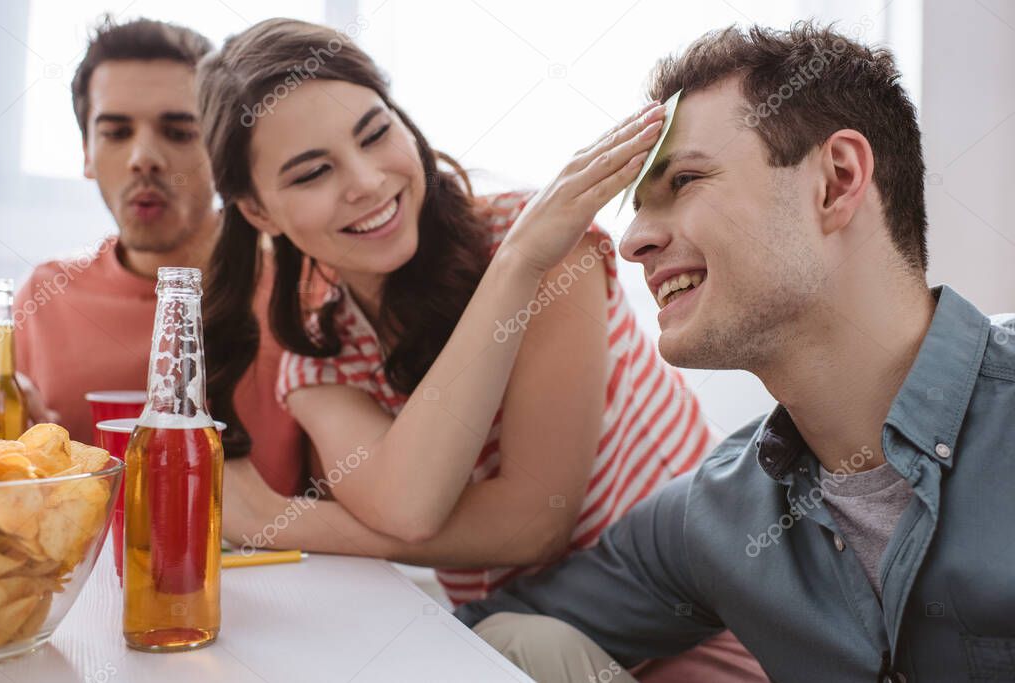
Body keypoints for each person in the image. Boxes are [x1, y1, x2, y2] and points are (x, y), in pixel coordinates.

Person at [200, 19, 764, 680]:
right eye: (312, 172)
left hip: (696, 622)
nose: (365, 181)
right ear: (260, 213)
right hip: (519, 643)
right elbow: (411, 509)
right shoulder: (318, 351)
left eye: (375, 133)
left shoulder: (546, 250)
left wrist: (275, 519)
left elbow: (532, 524)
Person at [453, 22, 1015, 683]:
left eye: (685, 179)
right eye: (634, 209)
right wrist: (519, 255)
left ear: (836, 180)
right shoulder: (718, 514)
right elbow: (474, 638)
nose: (631, 241)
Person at [14, 17, 310, 496]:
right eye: (116, 132)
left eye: (178, 132)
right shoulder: (44, 299)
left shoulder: (303, 290)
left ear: (222, 149)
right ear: (86, 152)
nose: (144, 158)